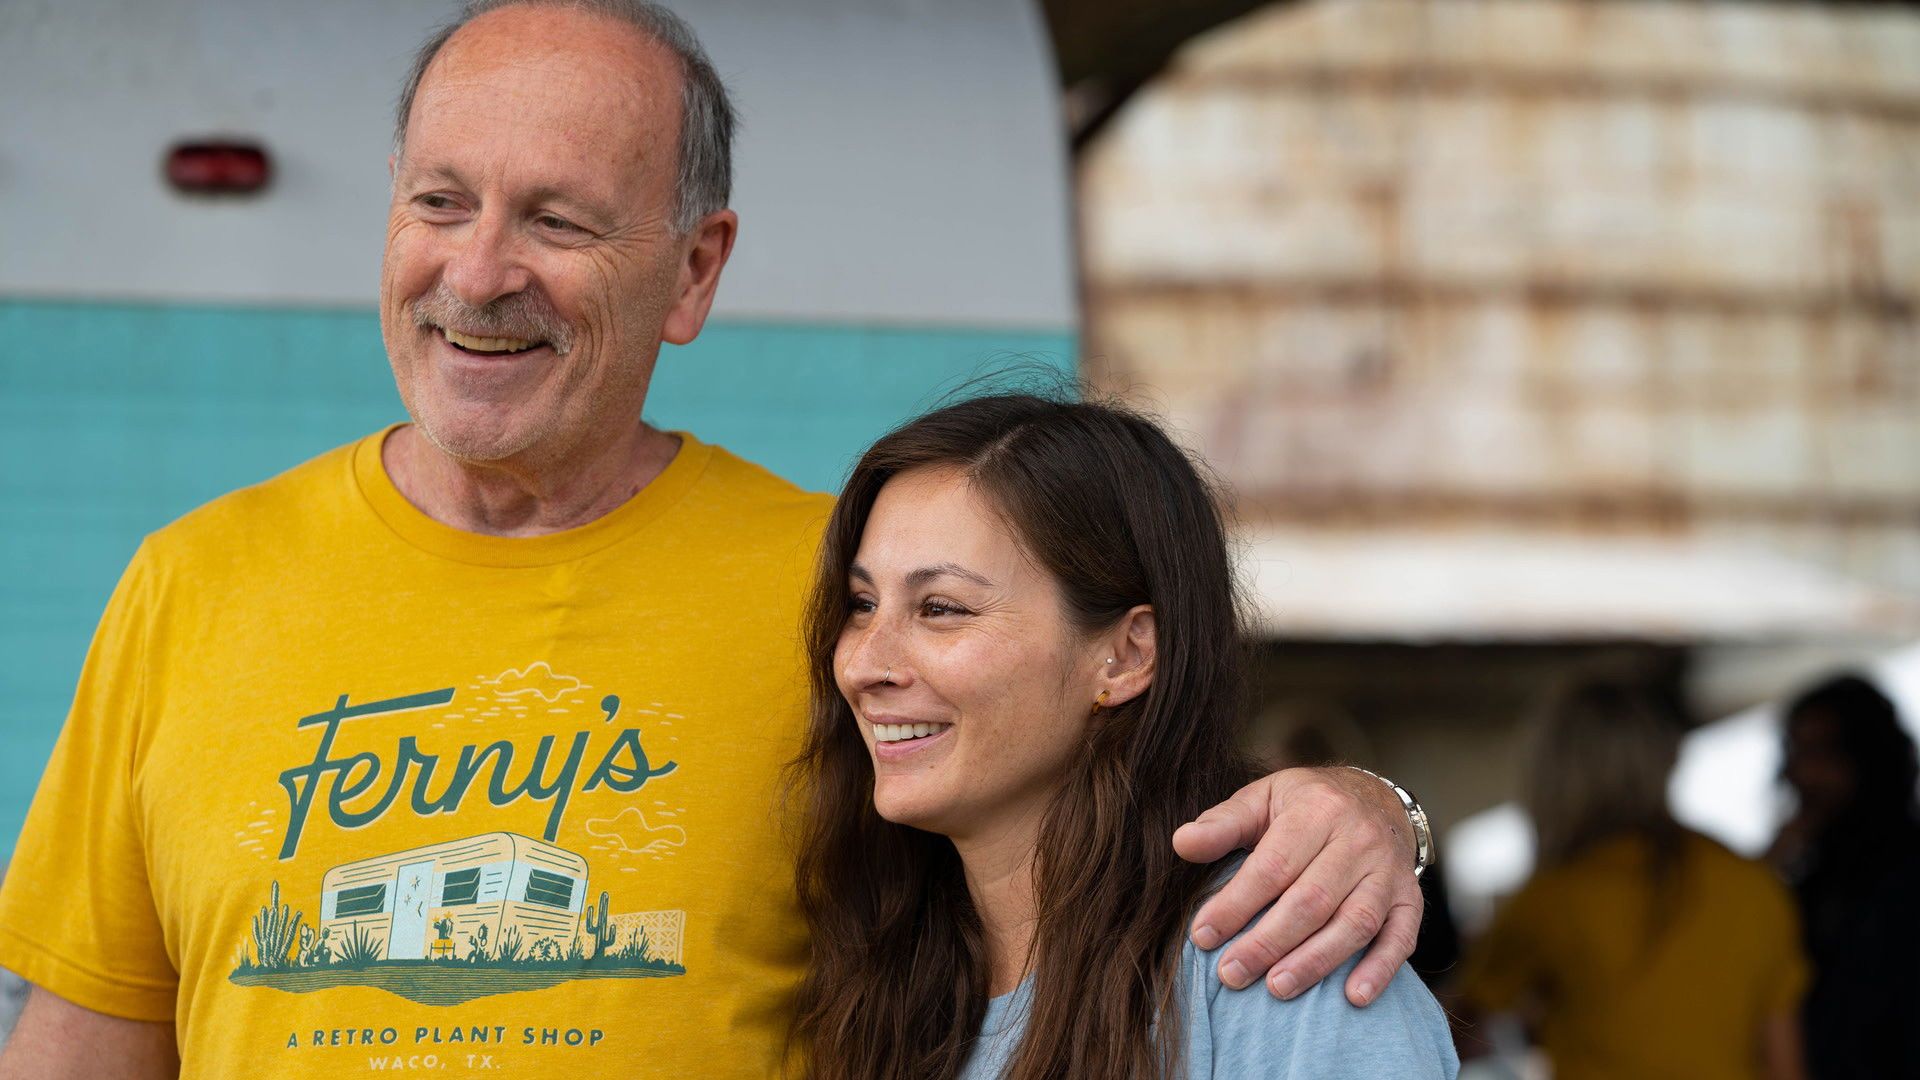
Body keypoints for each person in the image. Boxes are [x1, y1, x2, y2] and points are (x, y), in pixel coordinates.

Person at [0, 2, 1428, 1077]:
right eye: (439, 202)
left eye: (556, 219)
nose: (478, 272)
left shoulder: (840, 607)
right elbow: (86, 1036)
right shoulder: (191, 584)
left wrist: (1369, 809)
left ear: (693, 271)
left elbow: (1092, 839)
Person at [790, 392, 1459, 1078]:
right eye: (863, 604)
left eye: (941, 608)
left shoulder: (1274, 960)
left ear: (1127, 654)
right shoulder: (887, 973)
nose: (864, 663)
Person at [1454, 680, 1808, 1080]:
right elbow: (1785, 1064)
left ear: (1556, 768)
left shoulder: (1555, 897)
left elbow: (1450, 1039)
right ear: (1667, 758)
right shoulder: (1752, 885)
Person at [1768, 674, 1920, 1079]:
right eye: (1796, 752)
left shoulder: (1903, 873)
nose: (1803, 773)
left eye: (1821, 753)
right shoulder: (1811, 874)